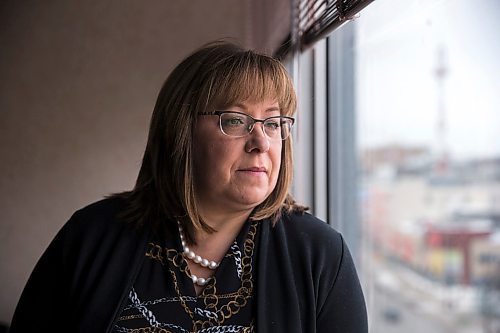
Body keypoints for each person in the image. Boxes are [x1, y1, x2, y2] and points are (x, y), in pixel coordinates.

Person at [10, 41, 367, 333]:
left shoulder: (320, 254)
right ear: (182, 133)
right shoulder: (89, 237)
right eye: (235, 120)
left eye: (273, 123)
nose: (261, 142)